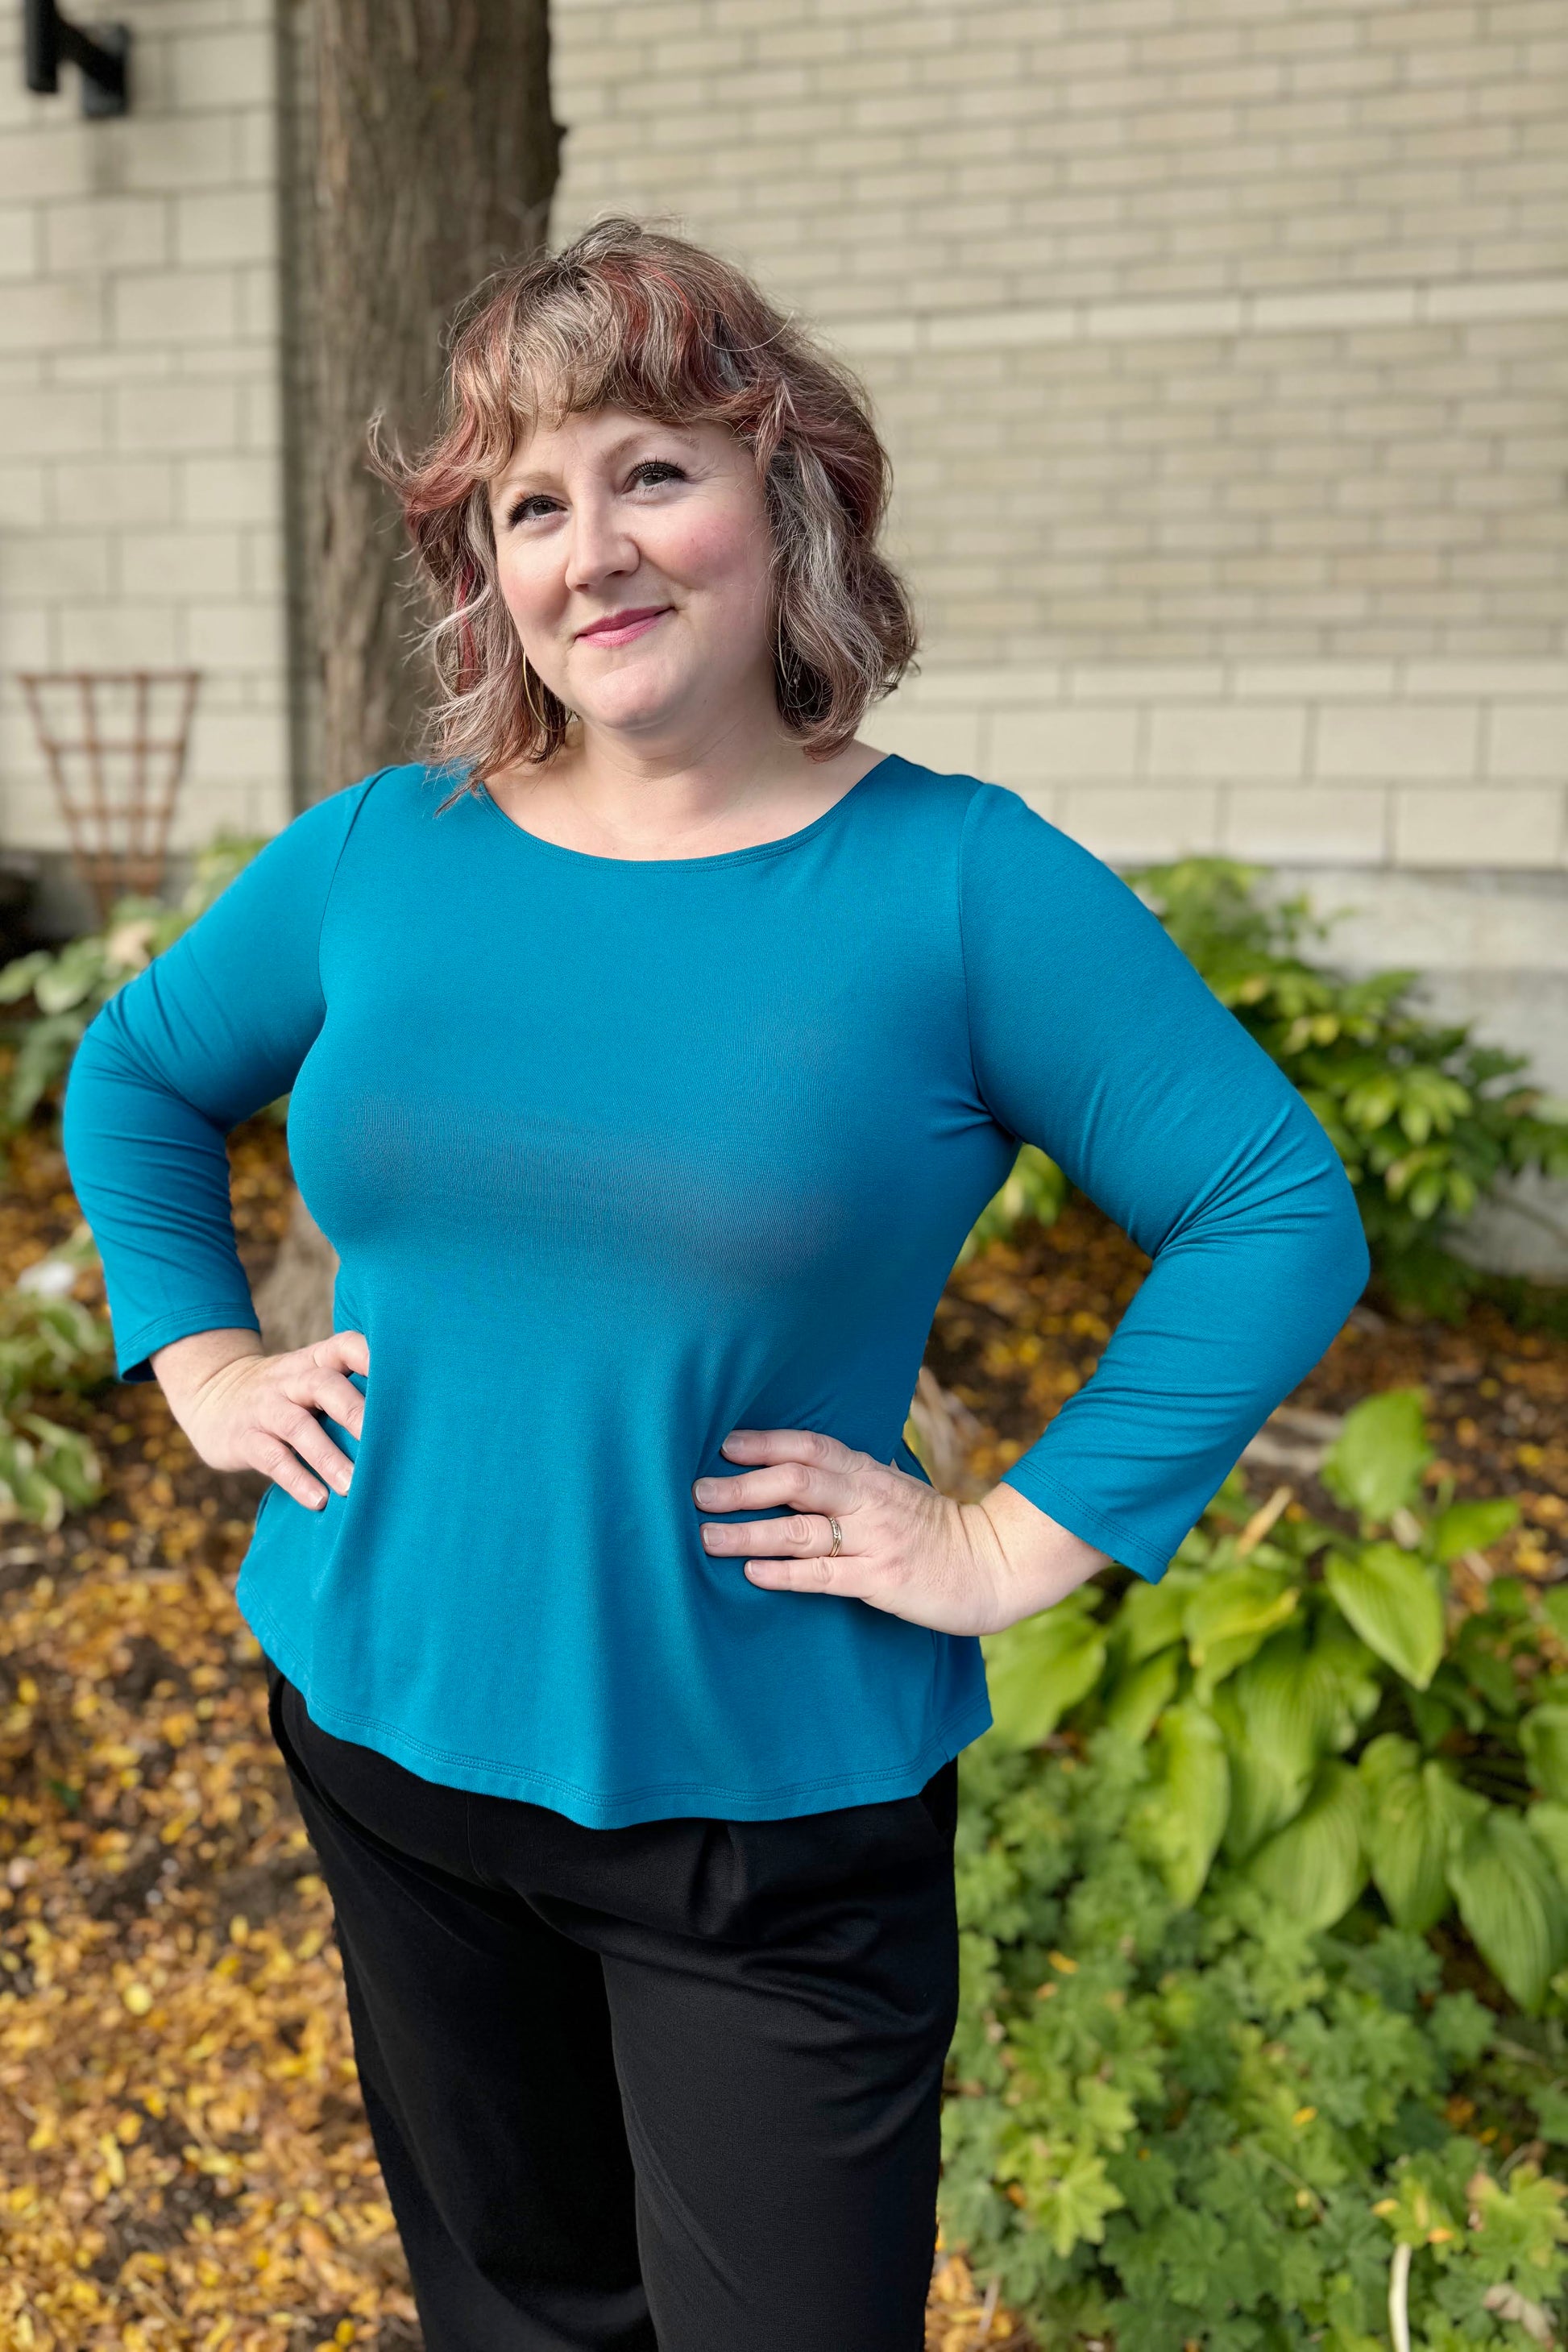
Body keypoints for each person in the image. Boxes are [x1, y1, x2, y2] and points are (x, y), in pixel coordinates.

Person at [61, 218, 1370, 2351]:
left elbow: (1271, 1207)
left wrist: (1006, 1540)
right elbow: (136, 1071)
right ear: (489, 566)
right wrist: (201, 1352)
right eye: (531, 501)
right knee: (520, 2311)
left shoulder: (955, 883)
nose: (596, 548)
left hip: (764, 1820)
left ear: (788, 494)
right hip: (383, 1731)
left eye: (653, 468)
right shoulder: (384, 855)